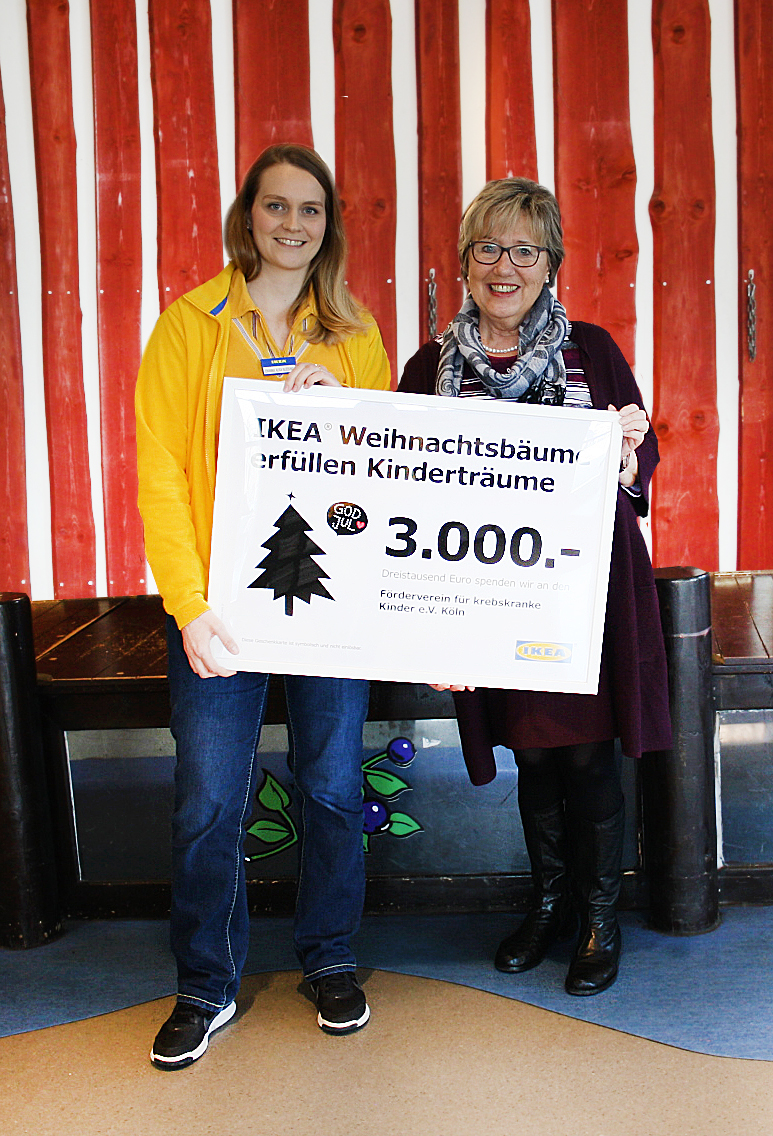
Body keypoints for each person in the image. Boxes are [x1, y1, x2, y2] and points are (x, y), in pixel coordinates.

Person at [136, 144, 390, 1069]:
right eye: (276, 206)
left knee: (332, 787)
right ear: (248, 216)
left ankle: (330, 957)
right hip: (221, 610)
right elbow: (162, 476)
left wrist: (348, 409)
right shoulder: (187, 326)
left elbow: (387, 474)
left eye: (310, 210)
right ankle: (205, 983)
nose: (293, 224)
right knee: (208, 800)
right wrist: (189, 605)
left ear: (329, 226)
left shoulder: (354, 333)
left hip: (329, 605)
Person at [398, 177, 671, 996]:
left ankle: (598, 916)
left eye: (524, 250)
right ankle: (549, 903)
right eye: (487, 248)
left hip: (587, 593)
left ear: (550, 265)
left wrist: (627, 451)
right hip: (486, 595)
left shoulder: (592, 350)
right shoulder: (429, 368)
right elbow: (396, 479)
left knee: (584, 755)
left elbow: (642, 460)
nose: (504, 266)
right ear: (464, 263)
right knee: (530, 751)